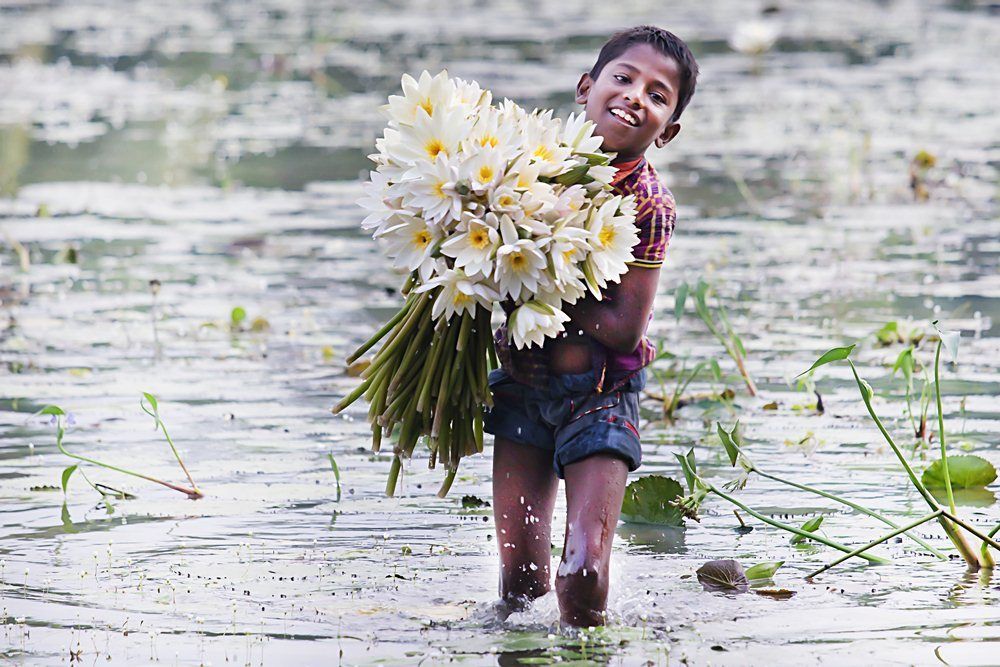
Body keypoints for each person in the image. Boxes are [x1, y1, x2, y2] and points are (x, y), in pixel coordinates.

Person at [483, 25, 699, 627]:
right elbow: (480, 281)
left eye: (658, 95)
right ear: (586, 87)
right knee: (520, 586)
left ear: (668, 130)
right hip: (525, 385)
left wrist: (542, 272)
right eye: (624, 78)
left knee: (582, 575)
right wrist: (502, 317)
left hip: (600, 396)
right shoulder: (525, 168)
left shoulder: (648, 202)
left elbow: (624, 329)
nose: (636, 96)